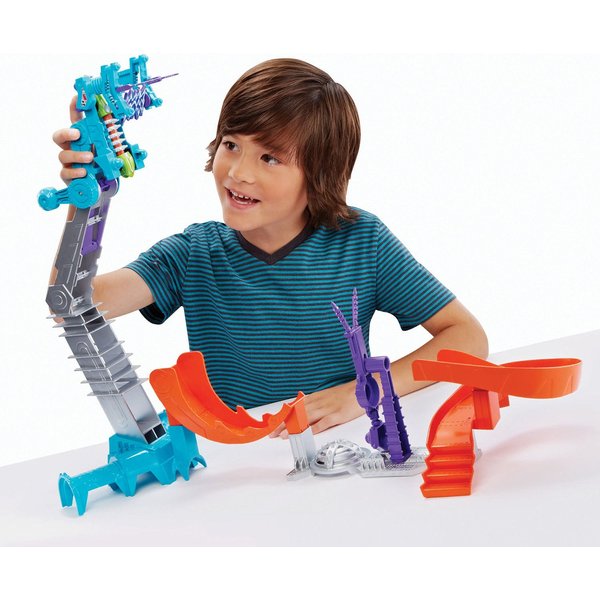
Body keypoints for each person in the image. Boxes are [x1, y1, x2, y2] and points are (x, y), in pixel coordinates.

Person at [51, 58, 488, 438]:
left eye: (270, 158)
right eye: (231, 145)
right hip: (233, 463)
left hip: (333, 450)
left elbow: (467, 337)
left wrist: (366, 391)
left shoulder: (362, 242)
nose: (238, 172)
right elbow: (69, 304)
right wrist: (88, 200)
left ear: (321, 173)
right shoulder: (193, 253)